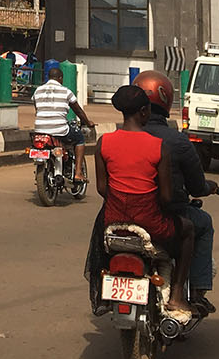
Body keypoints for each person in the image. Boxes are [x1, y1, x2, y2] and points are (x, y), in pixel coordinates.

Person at [93, 85, 196, 317]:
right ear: (143, 112)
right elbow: (166, 197)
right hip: (150, 223)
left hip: (114, 220)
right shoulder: (158, 147)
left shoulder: (104, 142)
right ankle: (178, 294)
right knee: (188, 230)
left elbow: (102, 189)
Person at [134, 69, 219, 315]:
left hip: (121, 215)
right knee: (201, 223)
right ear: (167, 100)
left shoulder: (116, 139)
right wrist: (208, 188)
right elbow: (196, 187)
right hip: (163, 218)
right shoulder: (176, 141)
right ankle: (192, 292)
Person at [33, 61, 96, 191]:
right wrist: (88, 122)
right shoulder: (66, 91)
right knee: (79, 139)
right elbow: (78, 110)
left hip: (39, 130)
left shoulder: (37, 91)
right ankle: (78, 172)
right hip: (59, 130)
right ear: (60, 78)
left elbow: (37, 109)